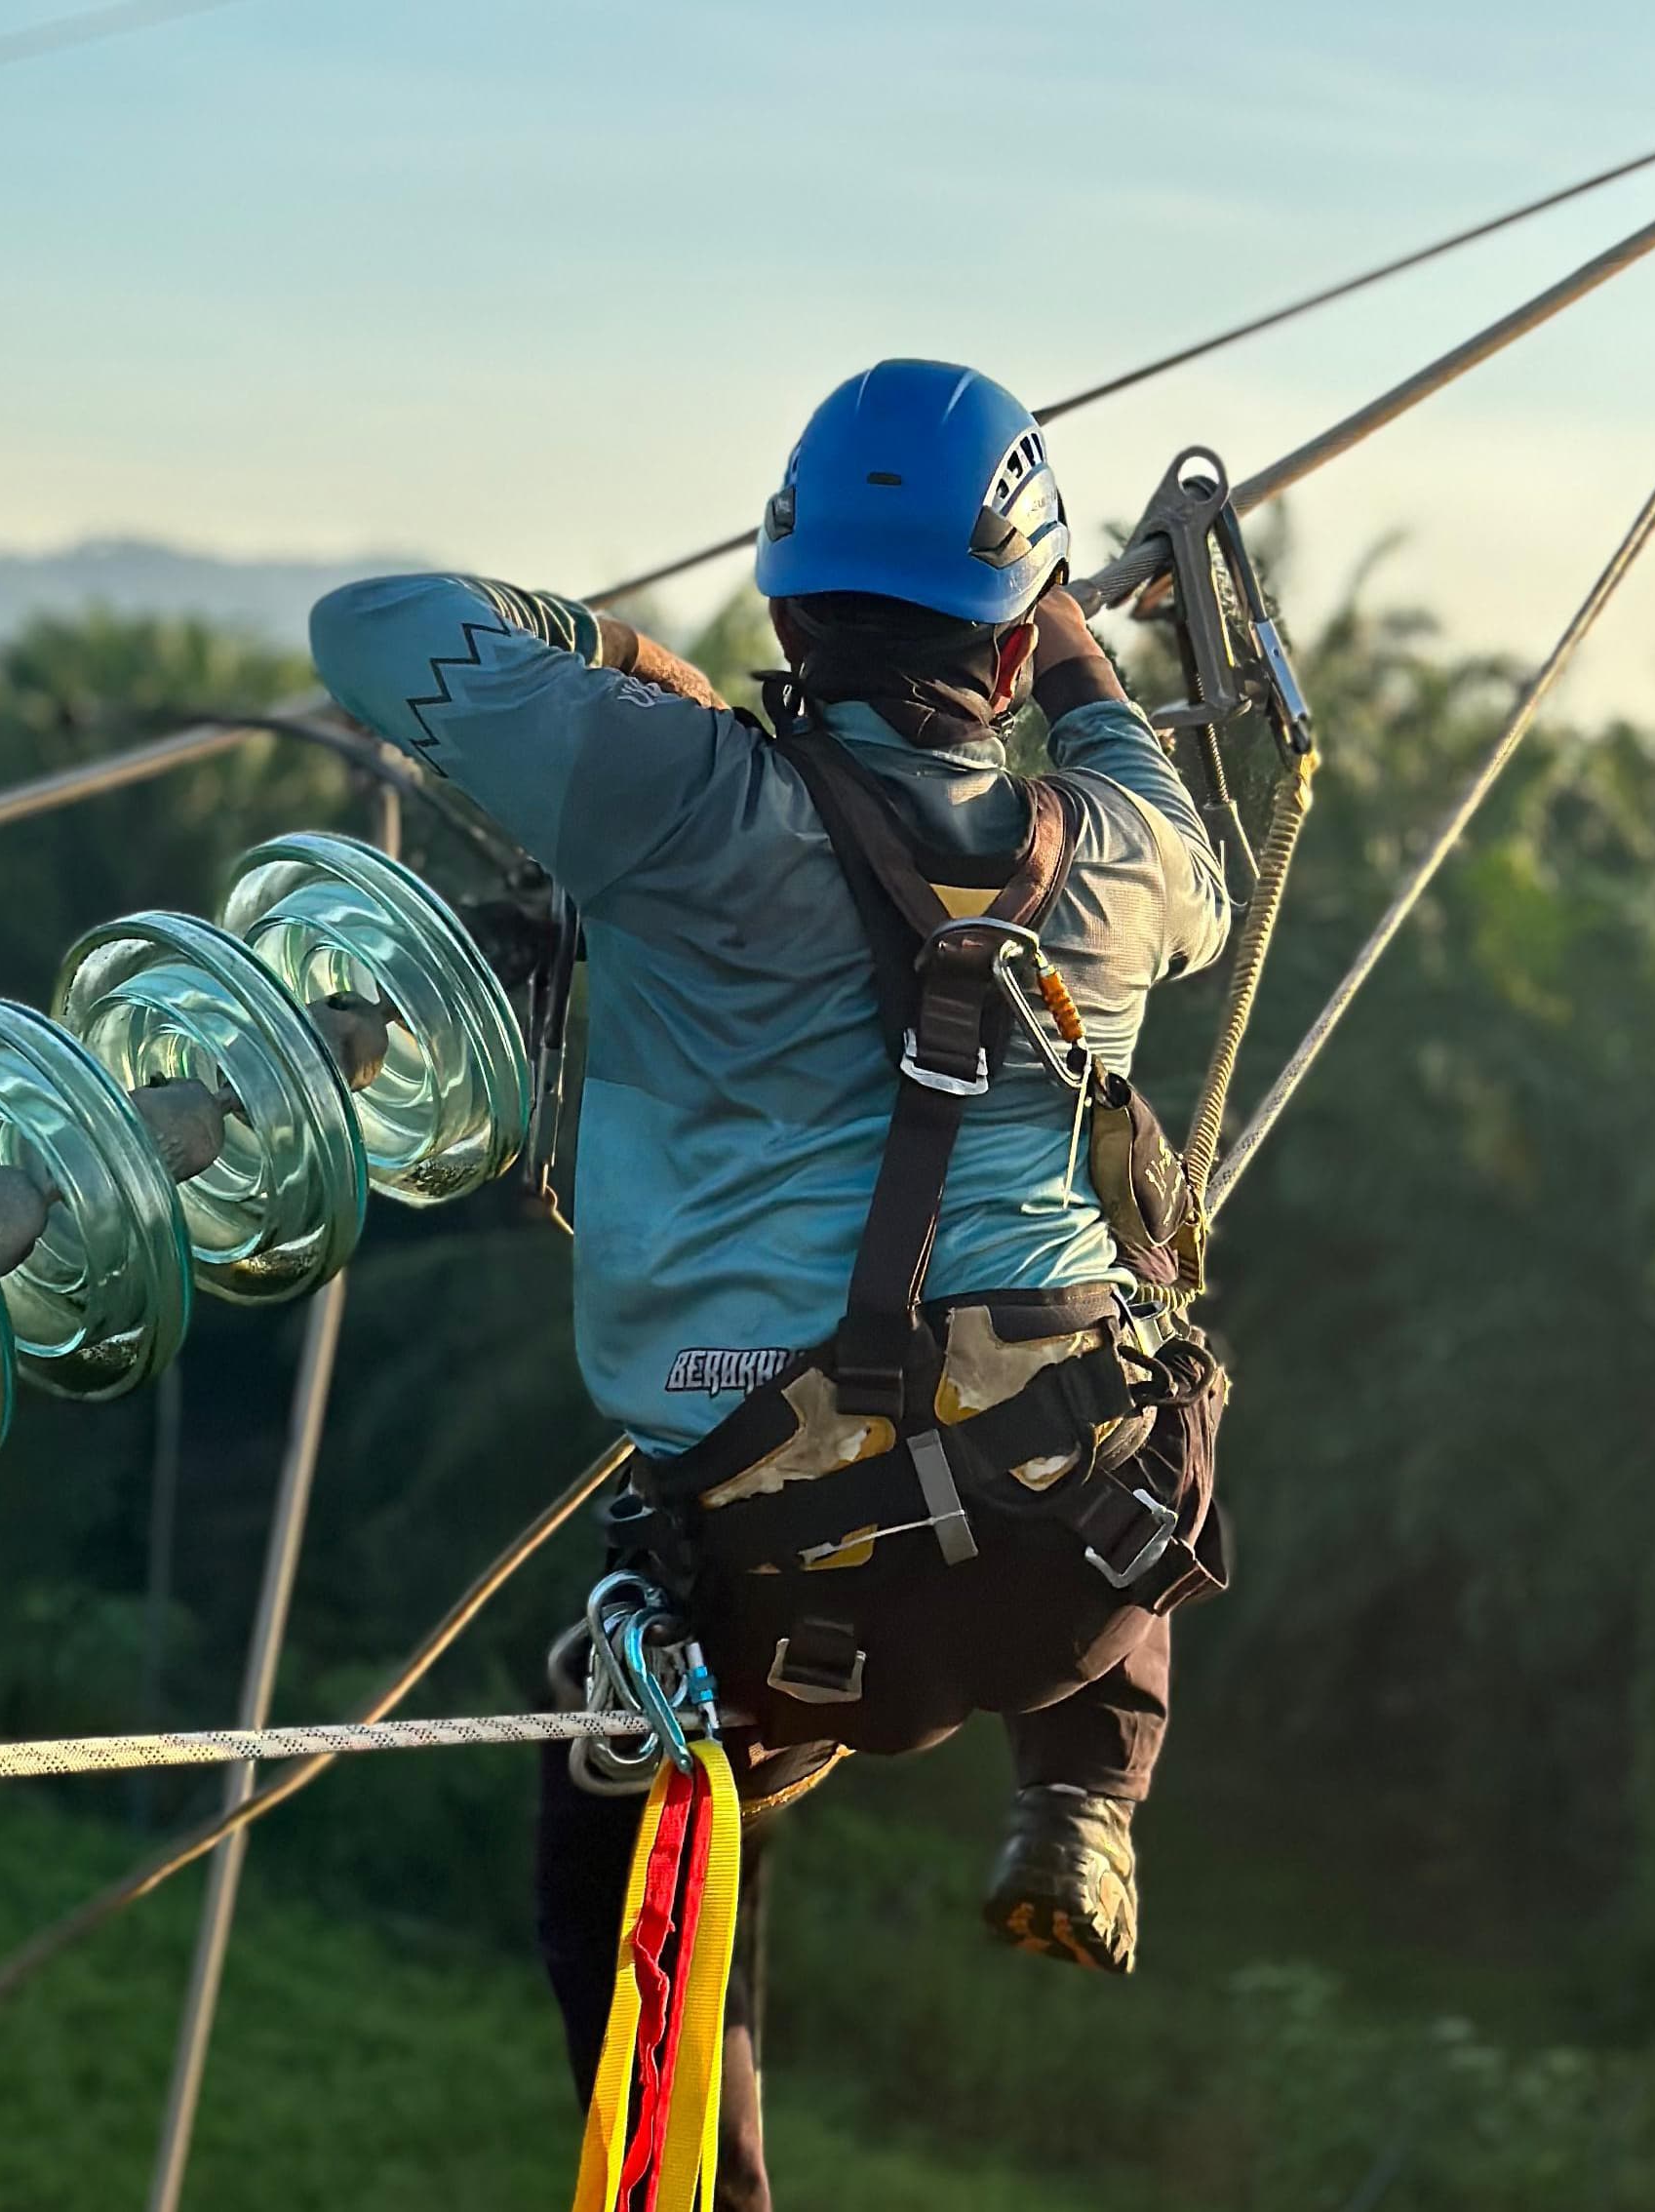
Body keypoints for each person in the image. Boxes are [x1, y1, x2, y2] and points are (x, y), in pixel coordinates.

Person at [308, 359, 1233, 2205]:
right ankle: (1086, 1793)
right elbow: (1182, 844)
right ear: (1003, 624)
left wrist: (614, 660)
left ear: (788, 600)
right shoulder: (1120, 863)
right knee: (1155, 1376)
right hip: (1065, 1562)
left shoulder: (675, 794)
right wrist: (1078, 650)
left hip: (774, 1584)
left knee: (614, 1770)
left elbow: (371, 628)